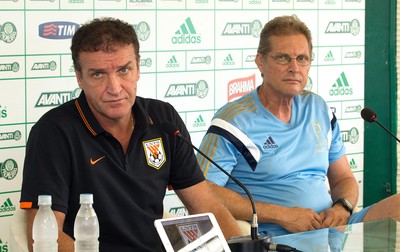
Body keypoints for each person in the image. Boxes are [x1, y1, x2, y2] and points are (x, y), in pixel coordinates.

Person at [20, 17, 242, 251]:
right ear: (79, 77)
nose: (115, 88)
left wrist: (241, 247)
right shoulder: (53, 132)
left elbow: (206, 205)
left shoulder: (163, 118)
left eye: (123, 70)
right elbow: (44, 239)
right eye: (98, 74)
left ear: (138, 68)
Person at [197, 15, 400, 237]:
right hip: (279, 235)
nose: (294, 68)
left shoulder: (318, 108)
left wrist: (342, 207)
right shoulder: (234, 120)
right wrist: (282, 215)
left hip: (334, 226)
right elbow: (202, 191)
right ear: (260, 61)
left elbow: (343, 178)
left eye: (302, 58)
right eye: (283, 58)